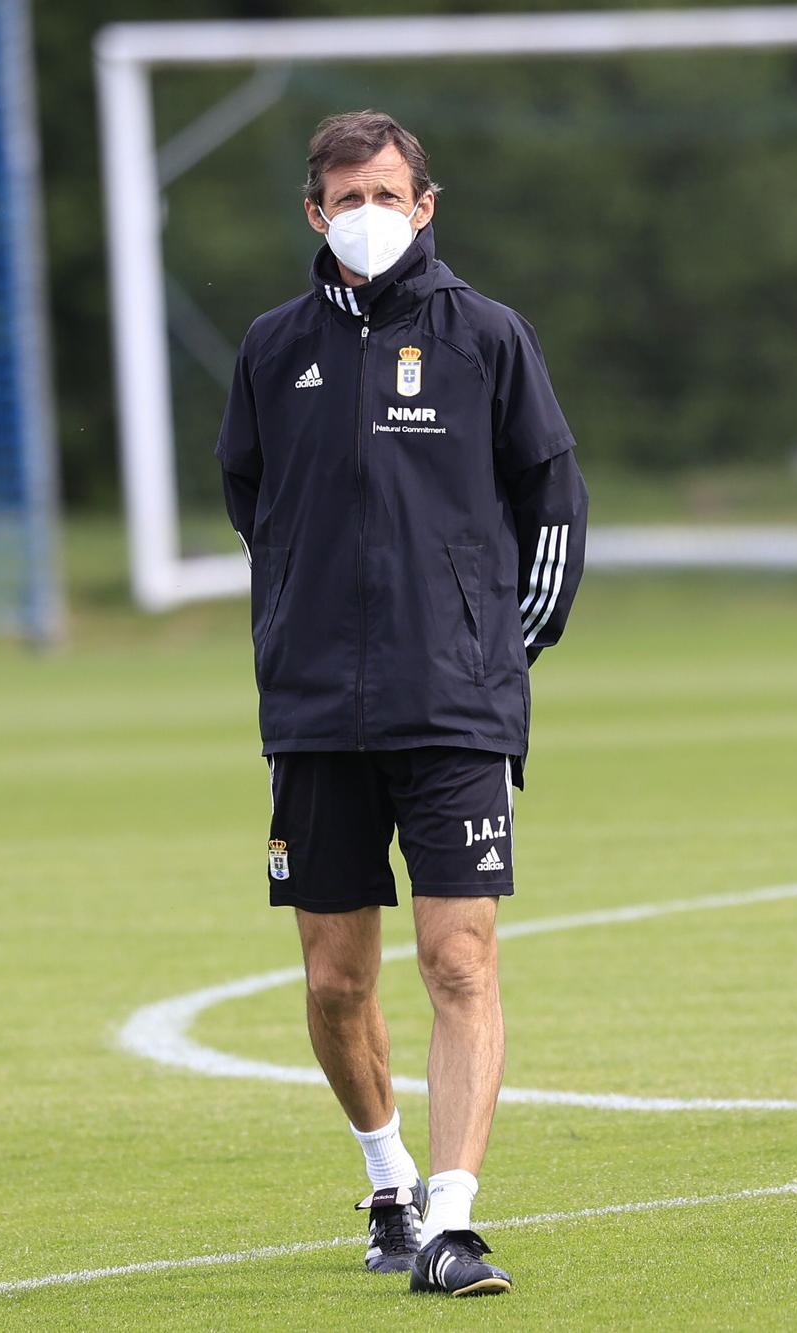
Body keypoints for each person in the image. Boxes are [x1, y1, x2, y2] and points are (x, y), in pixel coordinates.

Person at [215, 109, 587, 1297]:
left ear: (424, 206)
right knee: (334, 981)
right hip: (318, 711)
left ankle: (455, 1221)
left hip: (455, 709)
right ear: (315, 214)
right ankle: (386, 1183)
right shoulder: (273, 351)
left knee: (458, 960)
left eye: (388, 194)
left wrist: (488, 652)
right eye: (346, 197)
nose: (367, 215)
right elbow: (249, 502)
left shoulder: (486, 337)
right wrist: (301, 627)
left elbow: (553, 501)